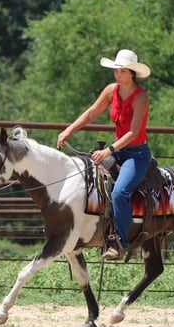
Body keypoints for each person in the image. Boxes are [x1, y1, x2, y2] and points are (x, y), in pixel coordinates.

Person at [57, 49, 153, 260]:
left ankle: (119, 243)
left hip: (136, 155)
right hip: (118, 150)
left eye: (122, 71)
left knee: (119, 193)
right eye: (116, 71)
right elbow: (91, 113)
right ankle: (91, 230)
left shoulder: (141, 98)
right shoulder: (112, 90)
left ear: (131, 73)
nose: (117, 74)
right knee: (90, 181)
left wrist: (109, 150)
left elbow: (133, 132)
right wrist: (69, 130)